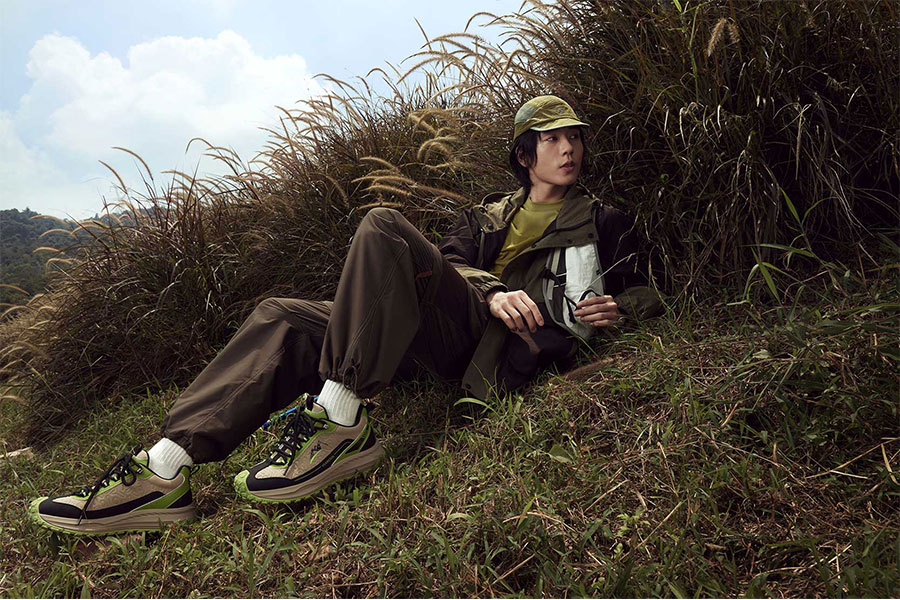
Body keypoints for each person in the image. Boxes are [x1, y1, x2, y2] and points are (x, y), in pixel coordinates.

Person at [29, 95, 661, 534]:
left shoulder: (603, 220)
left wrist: (621, 308)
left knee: (382, 221)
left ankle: (340, 422)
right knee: (281, 314)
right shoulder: (485, 217)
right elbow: (449, 263)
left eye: (574, 137)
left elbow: (645, 289)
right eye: (551, 138)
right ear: (525, 155)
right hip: (454, 322)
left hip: (496, 347)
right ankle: (164, 470)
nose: (568, 148)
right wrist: (491, 289)